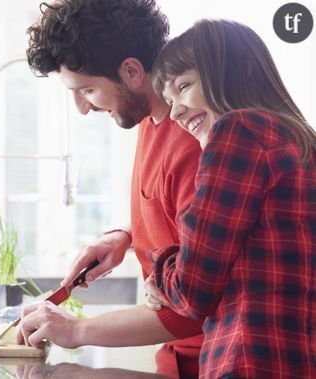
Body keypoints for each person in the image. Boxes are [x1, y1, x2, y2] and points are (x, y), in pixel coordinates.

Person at [20, 1, 204, 377]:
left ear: (132, 71)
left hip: (210, 363)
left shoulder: (191, 141)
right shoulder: (150, 121)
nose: (83, 109)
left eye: (86, 90)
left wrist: (75, 329)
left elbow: (191, 307)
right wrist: (127, 236)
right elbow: (183, 218)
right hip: (175, 360)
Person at [144, 19, 316, 378]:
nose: (174, 113)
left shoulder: (238, 131)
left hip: (247, 361)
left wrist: (160, 266)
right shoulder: (303, 145)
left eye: (184, 86)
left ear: (238, 70)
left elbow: (193, 292)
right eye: (169, 100)